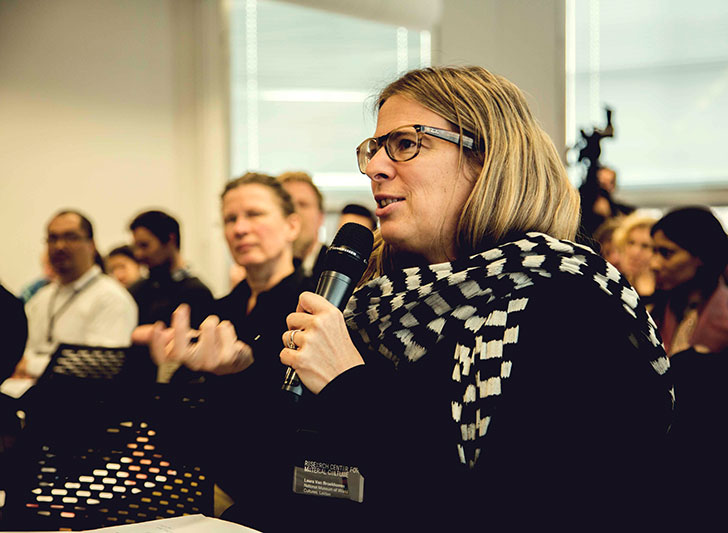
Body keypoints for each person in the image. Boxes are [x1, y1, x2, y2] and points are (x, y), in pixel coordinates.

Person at [153, 67, 674, 528]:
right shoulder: (378, 306)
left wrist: (347, 386)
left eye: (405, 144)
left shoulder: (569, 306)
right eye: (374, 148)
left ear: (487, 159)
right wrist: (233, 377)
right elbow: (278, 481)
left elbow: (521, 508)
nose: (374, 167)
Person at [137, 173, 312, 521]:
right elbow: (183, 424)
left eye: (255, 214)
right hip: (208, 487)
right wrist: (167, 373)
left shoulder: (313, 306)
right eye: (230, 219)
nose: (240, 229)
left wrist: (248, 368)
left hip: (285, 497)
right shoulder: (217, 311)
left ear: (291, 226)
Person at [0, 211, 137, 400]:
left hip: (79, 404)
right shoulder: (43, 296)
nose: (60, 246)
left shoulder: (111, 297)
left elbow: (99, 368)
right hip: (22, 396)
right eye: (52, 239)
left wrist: (29, 365)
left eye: (70, 237)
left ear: (91, 245)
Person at [648, 206, 728, 357]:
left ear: (702, 256)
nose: (654, 264)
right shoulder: (651, 315)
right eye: (654, 251)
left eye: (666, 253)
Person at [128, 210, 214, 329]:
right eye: (136, 247)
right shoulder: (136, 291)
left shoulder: (197, 293)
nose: (138, 254)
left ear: (170, 240)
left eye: (144, 245)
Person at [277, 171, 327, 282]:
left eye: (303, 204)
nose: (294, 212)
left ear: (320, 217)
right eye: (287, 205)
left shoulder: (337, 267)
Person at [613, 212, 657, 299]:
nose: (635, 252)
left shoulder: (666, 291)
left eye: (645, 246)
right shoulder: (613, 284)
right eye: (631, 243)